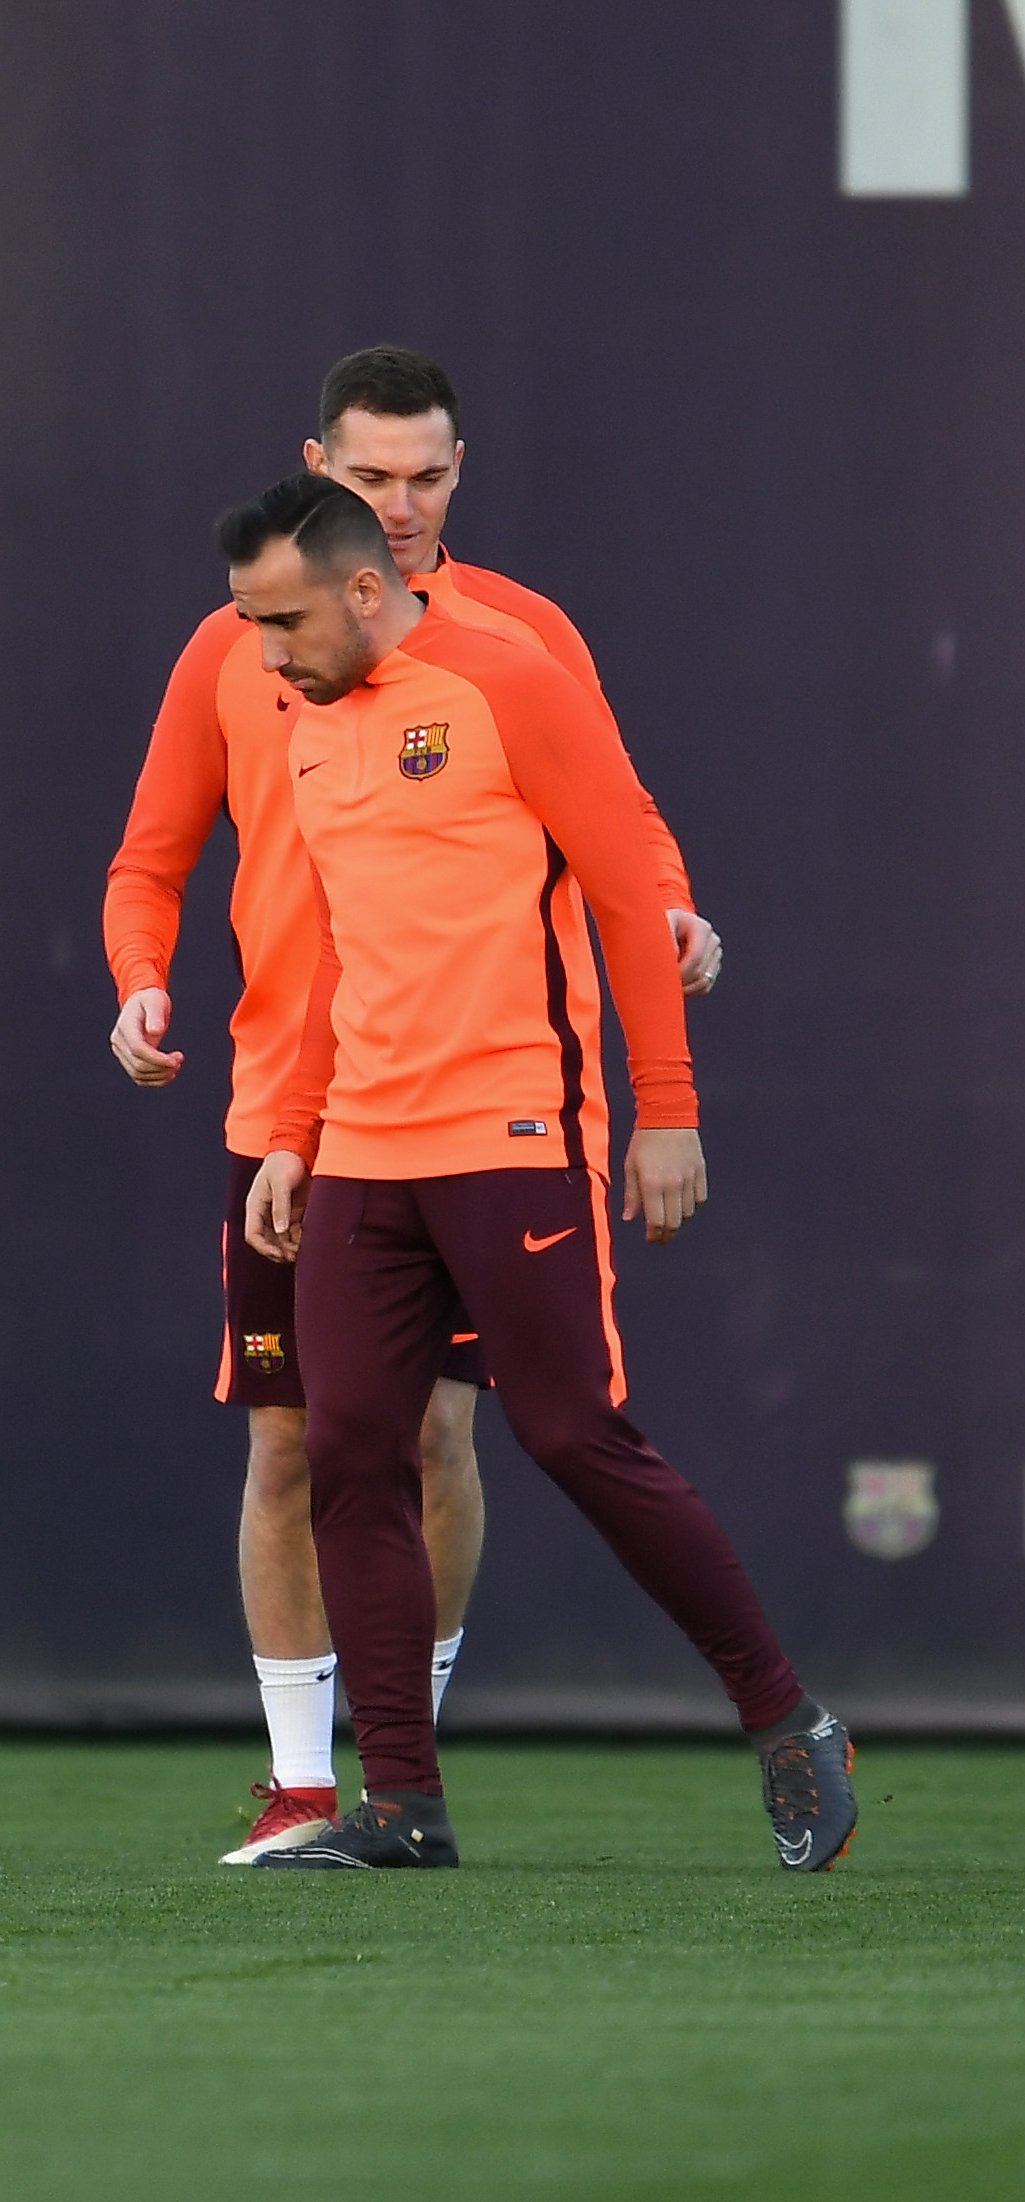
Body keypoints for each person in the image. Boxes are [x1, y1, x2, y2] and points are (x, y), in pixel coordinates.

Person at [100, 346, 722, 1862]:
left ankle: (399, 1763)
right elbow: (150, 856)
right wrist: (138, 980)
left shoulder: (520, 638)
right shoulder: (240, 643)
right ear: (317, 463)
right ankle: (306, 1780)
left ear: (462, 468)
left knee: (446, 1443)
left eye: (427, 472)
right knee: (292, 1446)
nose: (401, 500)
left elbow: (623, 824)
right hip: (288, 1104)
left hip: (471, 1103)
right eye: (371, 475)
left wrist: (679, 912)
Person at [218, 470, 851, 1870]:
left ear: (366, 591)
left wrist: (666, 1107)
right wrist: (296, 1130)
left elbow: (630, 891)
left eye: (283, 619)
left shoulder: (514, 681)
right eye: (249, 623)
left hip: (511, 1135)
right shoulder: (303, 724)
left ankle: (787, 1717)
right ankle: (401, 1803)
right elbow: (338, 944)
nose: (266, 651)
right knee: (346, 1450)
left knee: (573, 1433)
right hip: (363, 1154)